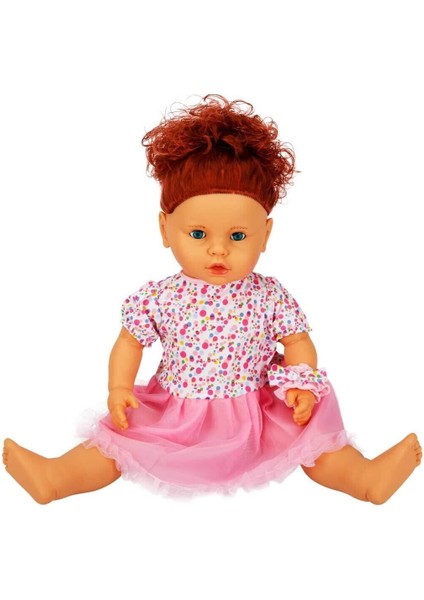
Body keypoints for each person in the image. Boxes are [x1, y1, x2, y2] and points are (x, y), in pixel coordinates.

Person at [3, 94, 421, 504]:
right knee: (118, 442)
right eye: (198, 234)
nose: (218, 249)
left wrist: (300, 383)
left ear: (265, 235)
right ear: (165, 230)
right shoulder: (159, 297)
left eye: (237, 236)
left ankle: (364, 478)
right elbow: (129, 341)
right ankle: (57, 477)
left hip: (259, 409)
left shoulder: (269, 294)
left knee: (315, 442)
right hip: (177, 411)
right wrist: (119, 387)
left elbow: (296, 340)